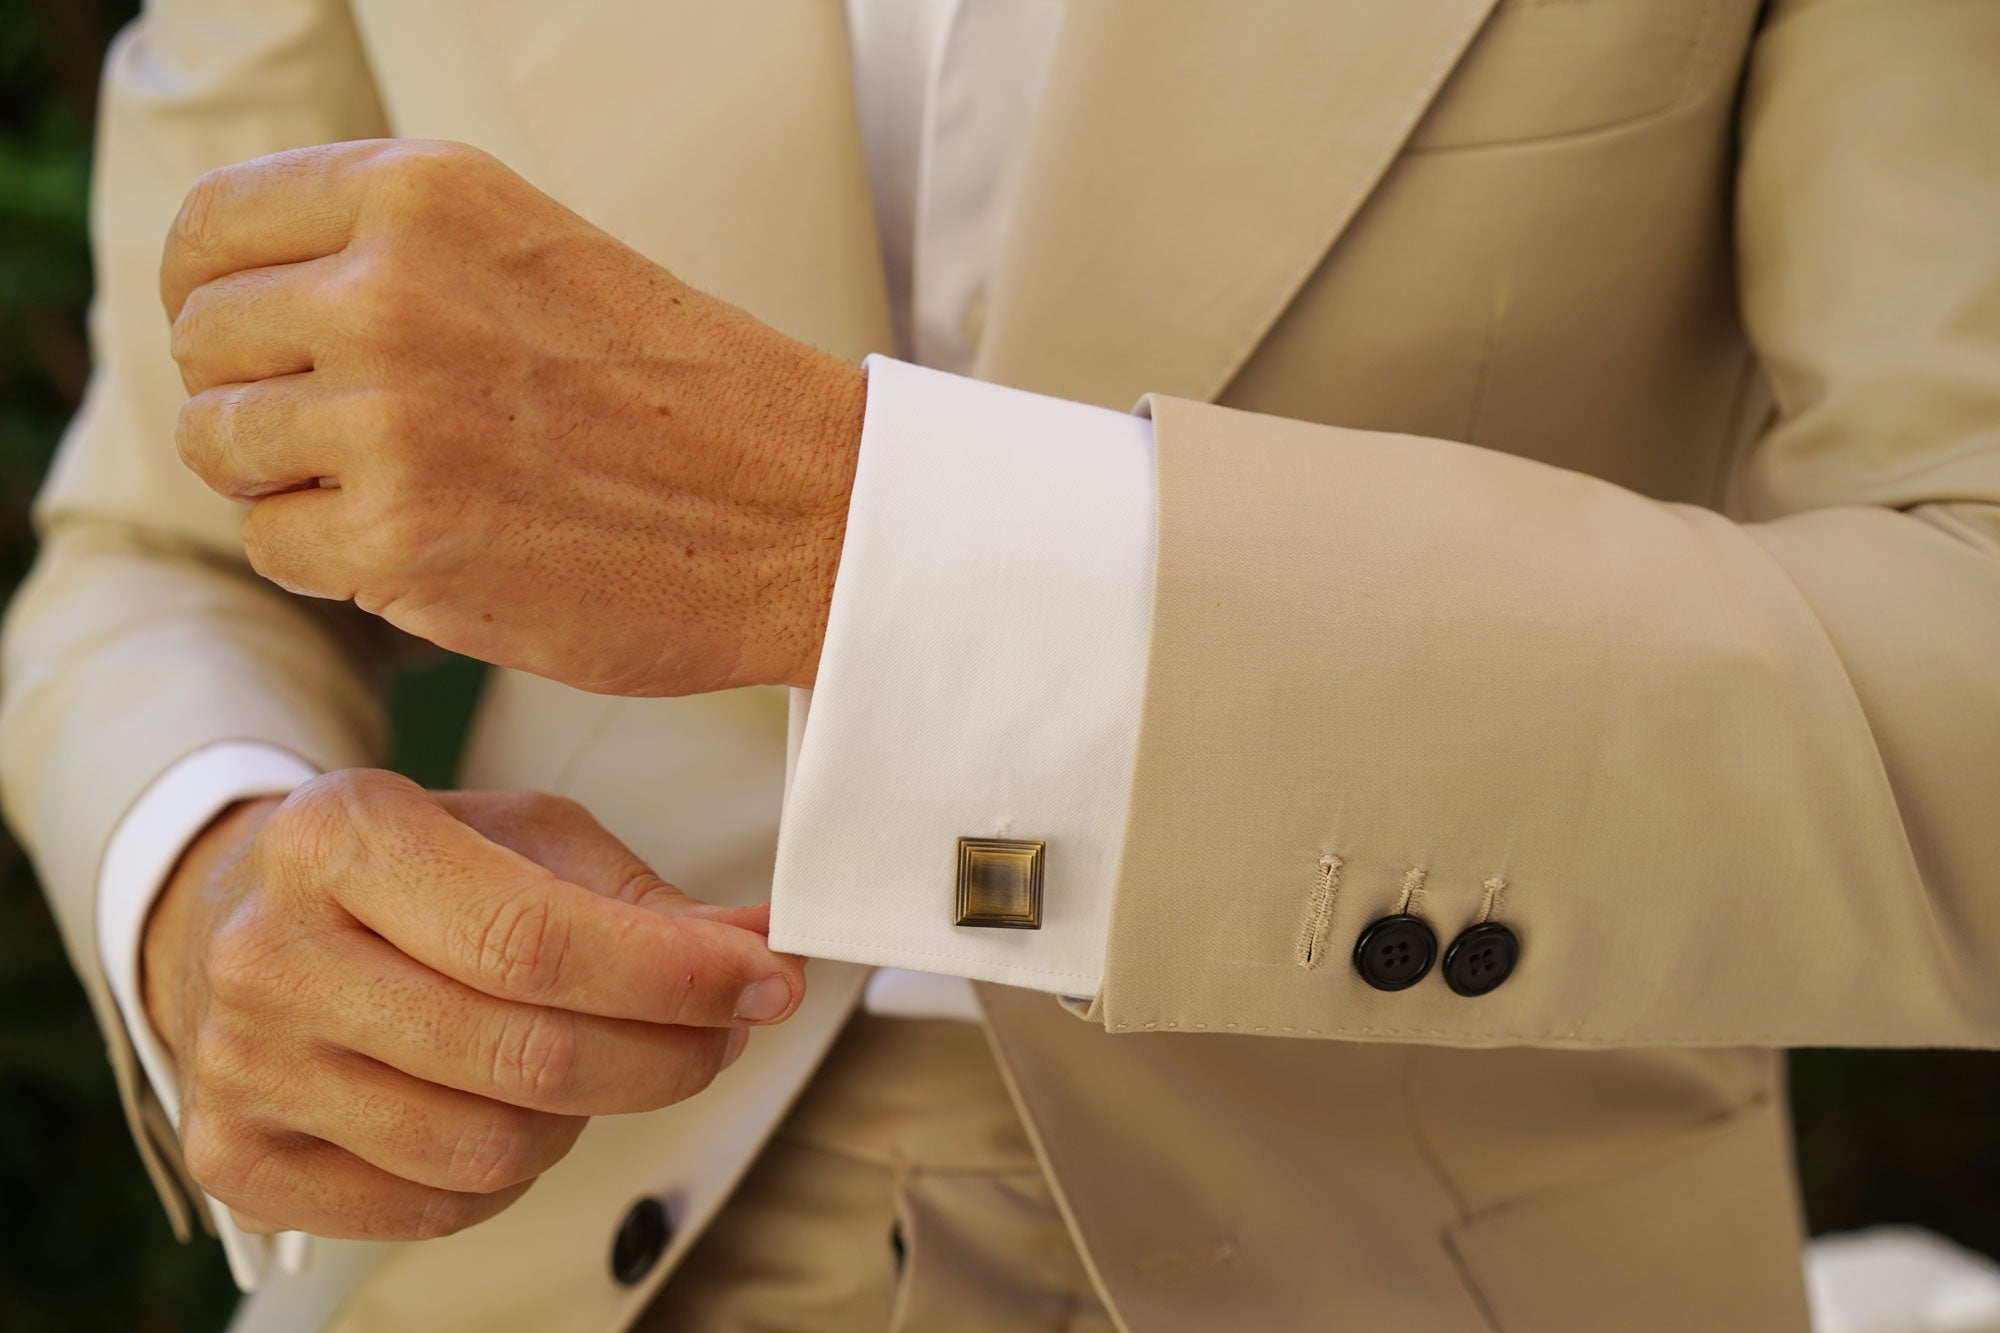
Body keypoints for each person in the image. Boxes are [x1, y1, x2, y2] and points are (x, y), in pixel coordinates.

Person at [4, 0, 1996, 1329]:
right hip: (522, 1242)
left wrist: (869, 541)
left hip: (1429, 1249)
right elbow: (153, 542)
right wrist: (208, 869)